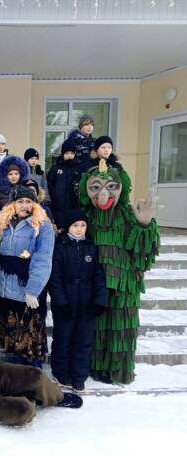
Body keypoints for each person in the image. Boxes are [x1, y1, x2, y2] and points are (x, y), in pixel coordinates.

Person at [78, 158, 159, 384]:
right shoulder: (86, 217)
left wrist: (145, 225)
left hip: (125, 283)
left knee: (120, 327)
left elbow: (144, 251)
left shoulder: (127, 213)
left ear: (120, 187)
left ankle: (117, 371)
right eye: (95, 187)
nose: (103, 193)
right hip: (97, 283)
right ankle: (96, 367)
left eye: (111, 186)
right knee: (98, 327)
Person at [0, 186, 54, 368]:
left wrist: (33, 290)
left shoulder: (42, 227)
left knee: (30, 348)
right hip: (7, 294)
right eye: (20, 201)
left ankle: (34, 384)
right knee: (15, 349)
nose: (24, 205)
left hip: (27, 294)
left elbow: (43, 260)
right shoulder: (4, 223)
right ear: (12, 204)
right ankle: (18, 383)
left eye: (29, 201)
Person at [49, 209, 108, 392]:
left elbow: (99, 276)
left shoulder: (91, 247)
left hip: (86, 303)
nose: (79, 229)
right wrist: (60, 302)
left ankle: (79, 375)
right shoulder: (60, 247)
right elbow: (55, 278)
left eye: (83, 225)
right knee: (63, 339)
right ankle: (61, 372)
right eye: (75, 225)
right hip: (66, 302)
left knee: (83, 341)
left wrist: (99, 301)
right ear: (68, 227)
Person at [47, 139, 87, 231]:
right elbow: (49, 184)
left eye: (71, 153)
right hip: (57, 206)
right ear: (63, 154)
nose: (69, 156)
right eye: (67, 153)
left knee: (72, 227)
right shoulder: (56, 168)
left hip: (74, 205)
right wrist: (53, 198)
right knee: (59, 228)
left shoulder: (79, 168)